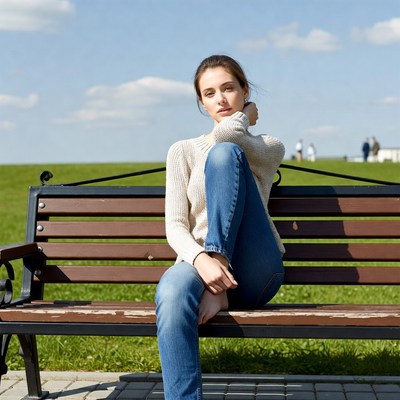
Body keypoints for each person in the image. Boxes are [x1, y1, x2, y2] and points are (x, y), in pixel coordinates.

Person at [155, 54, 286, 400]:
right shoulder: (181, 152)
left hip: (256, 269)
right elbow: (175, 226)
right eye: (210, 93)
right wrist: (202, 262)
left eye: (229, 89)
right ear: (201, 102)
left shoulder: (266, 147)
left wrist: (219, 276)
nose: (221, 99)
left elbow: (226, 136)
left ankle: (220, 279)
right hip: (199, 263)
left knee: (224, 155)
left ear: (245, 91)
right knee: (170, 292)